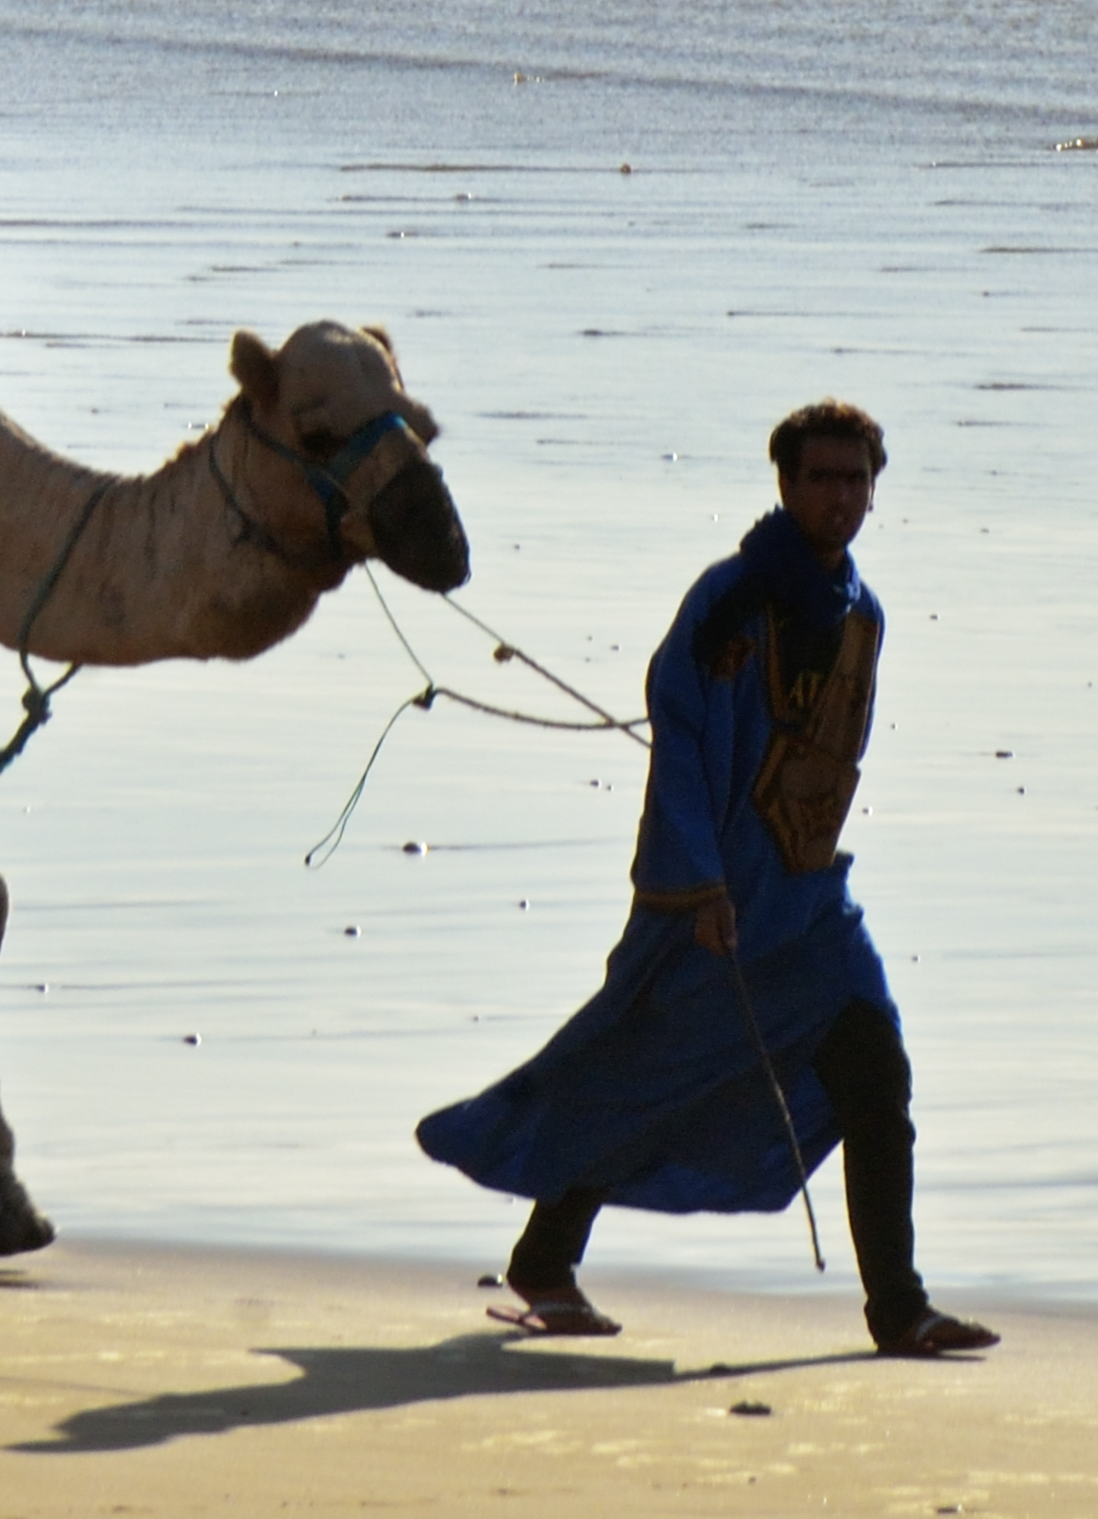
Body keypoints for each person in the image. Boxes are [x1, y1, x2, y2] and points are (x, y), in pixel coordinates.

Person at [419, 400, 994, 1358]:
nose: (839, 497)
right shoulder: (728, 600)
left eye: (855, 480)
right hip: (712, 902)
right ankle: (544, 1258)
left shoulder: (865, 612)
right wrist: (697, 886)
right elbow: (679, 740)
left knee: (876, 1073)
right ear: (785, 484)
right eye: (821, 478)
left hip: (811, 908)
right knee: (631, 1079)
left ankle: (900, 1306)